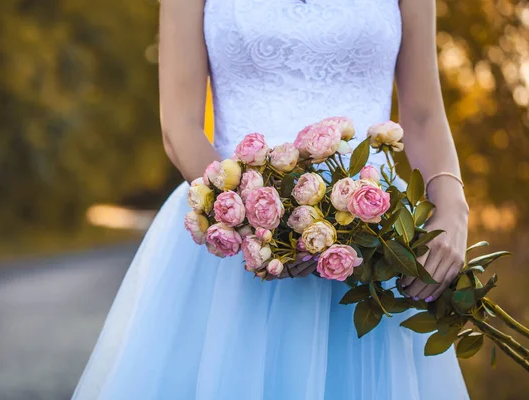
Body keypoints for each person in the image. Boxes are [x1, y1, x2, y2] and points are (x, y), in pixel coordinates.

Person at [72, 1, 470, 398]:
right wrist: (262, 226)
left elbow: (422, 116)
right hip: (238, 247)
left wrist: (453, 207)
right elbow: (179, 126)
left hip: (374, 242)